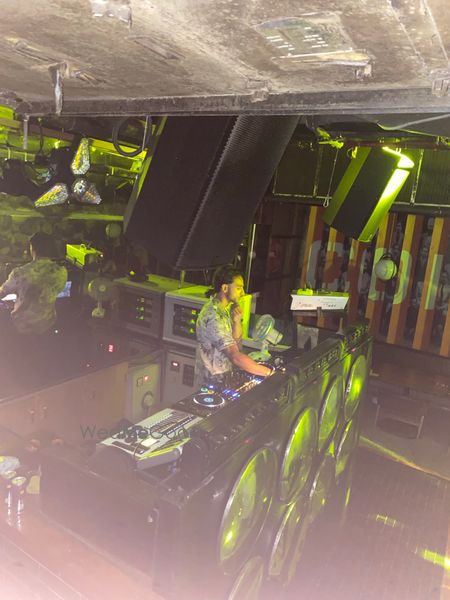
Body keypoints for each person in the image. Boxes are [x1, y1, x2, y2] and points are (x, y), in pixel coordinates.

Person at [196, 265, 273, 385]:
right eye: (238, 288)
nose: (243, 293)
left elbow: (236, 345)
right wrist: (269, 373)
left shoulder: (224, 309)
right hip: (213, 381)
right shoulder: (213, 316)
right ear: (225, 288)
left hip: (225, 377)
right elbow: (234, 356)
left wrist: (236, 321)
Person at [0, 232, 67, 335]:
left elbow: (2, 293)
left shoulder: (19, 273)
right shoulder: (61, 271)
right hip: (47, 324)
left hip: (22, 326)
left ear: (32, 248)